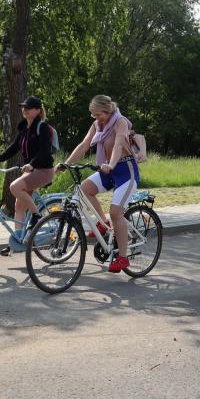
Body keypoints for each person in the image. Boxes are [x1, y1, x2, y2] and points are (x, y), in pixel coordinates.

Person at [60, 95, 140, 273]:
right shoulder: (97, 124)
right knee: (84, 189)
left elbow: (118, 145)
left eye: (98, 115)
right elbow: (84, 145)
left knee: (116, 212)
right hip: (107, 169)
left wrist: (111, 164)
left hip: (125, 171)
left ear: (108, 110)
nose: (96, 119)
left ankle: (123, 258)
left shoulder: (120, 122)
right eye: (93, 115)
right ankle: (104, 224)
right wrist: (66, 164)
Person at [0, 96, 55, 252]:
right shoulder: (24, 128)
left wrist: (32, 164)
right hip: (31, 171)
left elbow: (45, 150)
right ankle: (17, 240)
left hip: (44, 170)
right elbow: (14, 147)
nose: (24, 109)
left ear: (38, 110)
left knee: (14, 187)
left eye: (29, 107)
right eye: (23, 107)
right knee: (18, 206)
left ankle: (36, 216)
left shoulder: (42, 127)